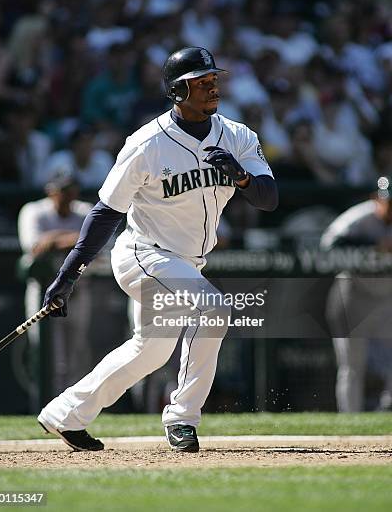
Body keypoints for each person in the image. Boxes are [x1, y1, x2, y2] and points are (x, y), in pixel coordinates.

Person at [37, 47, 278, 452]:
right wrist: (68, 275)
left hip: (186, 262)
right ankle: (182, 418)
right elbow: (105, 212)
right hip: (143, 254)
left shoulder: (238, 136)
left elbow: (268, 198)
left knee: (149, 350)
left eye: (213, 79)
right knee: (214, 308)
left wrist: (240, 177)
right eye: (200, 82)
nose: (211, 87)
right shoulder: (146, 142)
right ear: (176, 91)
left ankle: (65, 414)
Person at [17, 172, 94, 409]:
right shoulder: (34, 210)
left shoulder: (84, 210)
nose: (68, 196)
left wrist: (54, 240)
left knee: (75, 355)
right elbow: (35, 247)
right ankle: (45, 407)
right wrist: (75, 240)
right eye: (63, 191)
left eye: (71, 191)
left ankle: (69, 409)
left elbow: (97, 241)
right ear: (51, 191)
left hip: (79, 291)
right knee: (48, 356)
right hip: (43, 292)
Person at [320, 176, 392, 412]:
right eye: (387, 201)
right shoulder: (360, 217)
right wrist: (371, 246)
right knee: (352, 364)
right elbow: (329, 245)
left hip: (385, 295)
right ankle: (350, 421)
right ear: (377, 199)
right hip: (354, 294)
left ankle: (386, 410)